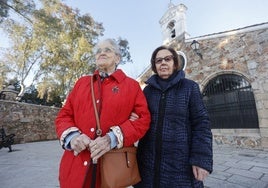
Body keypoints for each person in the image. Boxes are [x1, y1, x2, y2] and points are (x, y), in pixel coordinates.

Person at [55, 38, 151, 188]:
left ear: (117, 58)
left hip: (112, 170)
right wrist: (72, 138)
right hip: (76, 167)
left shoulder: (131, 86)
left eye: (107, 50)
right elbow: (64, 115)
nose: (102, 53)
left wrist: (112, 138)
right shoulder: (82, 83)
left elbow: (143, 120)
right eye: (98, 51)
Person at [134, 46, 213, 188]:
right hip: (147, 165)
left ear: (175, 63)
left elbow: (201, 123)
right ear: (154, 65)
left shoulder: (189, 87)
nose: (163, 63)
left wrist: (201, 159)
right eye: (158, 60)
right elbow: (141, 118)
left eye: (167, 59)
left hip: (180, 166)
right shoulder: (147, 91)